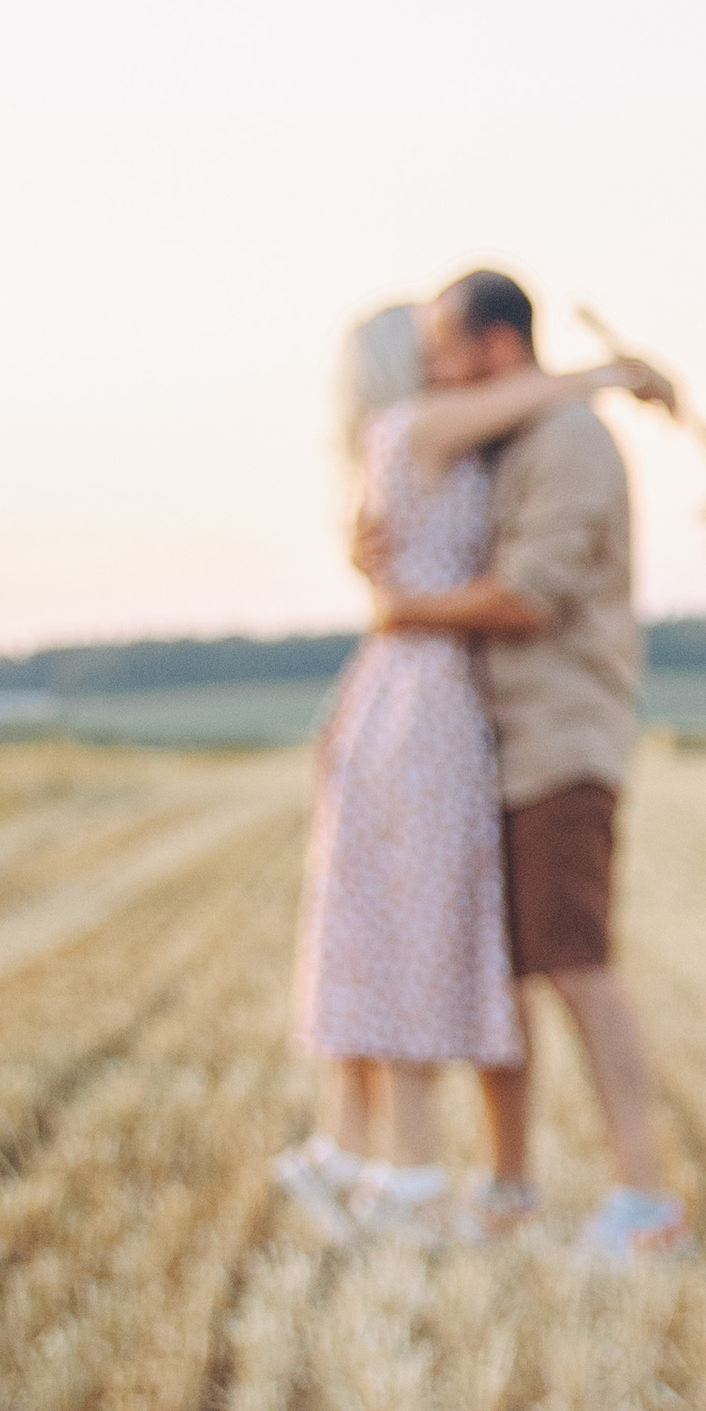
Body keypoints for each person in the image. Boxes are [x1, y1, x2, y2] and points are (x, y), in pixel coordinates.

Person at [277, 303, 642, 1244]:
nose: (442, 359)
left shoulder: (434, 439)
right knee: (419, 930)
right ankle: (409, 1169)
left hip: (422, 692)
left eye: (450, 342)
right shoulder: (423, 426)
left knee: (405, 927)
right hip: (429, 696)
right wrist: (614, 374)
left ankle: (392, 1162)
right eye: (428, 346)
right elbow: (506, 587)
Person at [357, 266, 690, 1262]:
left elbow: (527, 598)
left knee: (578, 966)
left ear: (496, 347)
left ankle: (647, 1202)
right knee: (499, 980)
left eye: (442, 354)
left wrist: (402, 611)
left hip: (559, 738)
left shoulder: (569, 441)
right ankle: (508, 1190)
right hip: (491, 746)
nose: (431, 375)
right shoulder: (503, 440)